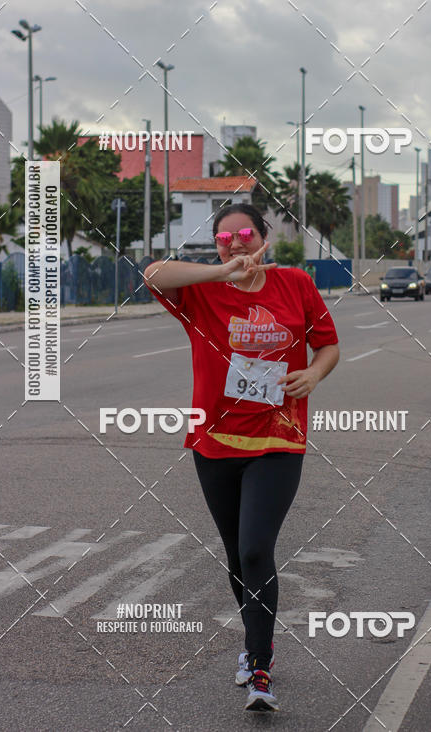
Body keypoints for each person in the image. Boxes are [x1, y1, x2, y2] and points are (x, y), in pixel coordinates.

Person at [144, 204, 340, 712]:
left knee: (256, 550)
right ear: (216, 244)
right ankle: (254, 645)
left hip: (279, 438)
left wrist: (314, 375)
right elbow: (154, 273)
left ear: (265, 238)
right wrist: (222, 271)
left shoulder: (296, 283)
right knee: (236, 556)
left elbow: (328, 346)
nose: (237, 243)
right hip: (212, 441)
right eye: (226, 238)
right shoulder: (202, 289)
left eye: (246, 235)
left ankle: (260, 664)